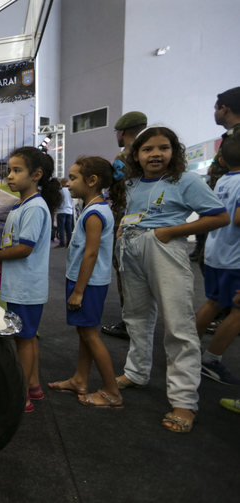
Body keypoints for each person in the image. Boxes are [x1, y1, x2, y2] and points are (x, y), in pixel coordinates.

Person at [115, 126, 229, 433]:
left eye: (163, 148)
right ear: (136, 155)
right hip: (131, 248)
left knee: (179, 326)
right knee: (135, 317)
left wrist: (169, 232)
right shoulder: (132, 182)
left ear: (174, 151)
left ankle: (183, 401)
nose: (155, 154)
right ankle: (136, 372)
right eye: (147, 149)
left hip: (164, 248)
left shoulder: (186, 180)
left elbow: (219, 216)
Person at [0, 147, 62, 412]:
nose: (10, 176)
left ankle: (22, 397)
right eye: (9, 170)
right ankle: (32, 386)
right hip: (19, 285)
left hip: (27, 288)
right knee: (26, 337)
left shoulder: (35, 207)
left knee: (24, 339)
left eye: (17, 171)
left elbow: (24, 248)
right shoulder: (22, 204)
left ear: (36, 175)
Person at [48, 157, 125, 408]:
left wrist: (79, 291)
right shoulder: (93, 208)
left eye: (73, 178)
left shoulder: (95, 213)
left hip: (88, 285)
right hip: (85, 282)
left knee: (90, 334)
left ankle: (112, 391)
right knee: (85, 332)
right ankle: (80, 379)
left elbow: (91, 254)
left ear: (91, 181)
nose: (68, 184)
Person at [194, 133, 240, 385]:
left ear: (222, 159)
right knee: (238, 311)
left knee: (212, 302)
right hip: (235, 257)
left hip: (216, 252)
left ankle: (187, 353)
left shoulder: (222, 180)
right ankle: (211, 360)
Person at [101, 111, 148, 340]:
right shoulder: (149, 151)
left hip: (127, 220)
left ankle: (129, 324)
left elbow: (119, 193)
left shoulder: (124, 156)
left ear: (121, 132)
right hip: (150, 219)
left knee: (126, 272)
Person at [54, 177, 73, 248]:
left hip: (61, 211)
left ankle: (62, 243)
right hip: (70, 211)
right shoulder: (70, 190)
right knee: (69, 228)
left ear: (62, 183)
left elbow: (58, 201)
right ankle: (69, 243)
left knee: (61, 228)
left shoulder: (60, 191)